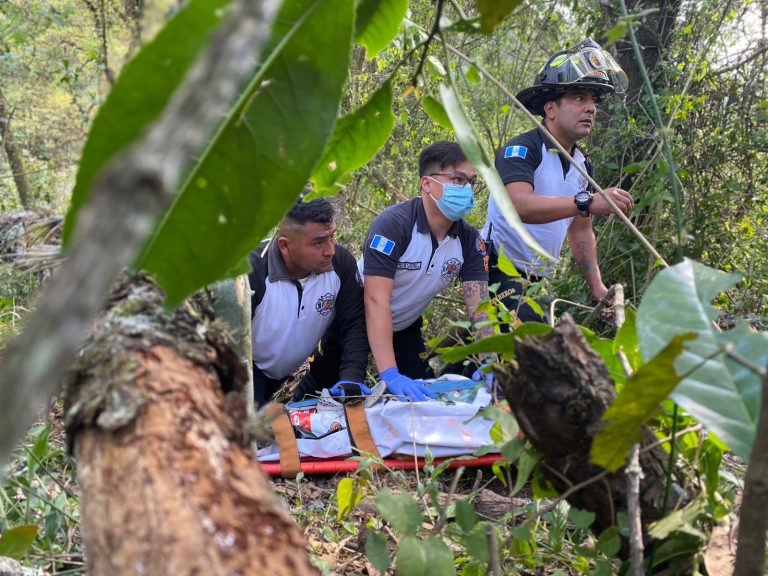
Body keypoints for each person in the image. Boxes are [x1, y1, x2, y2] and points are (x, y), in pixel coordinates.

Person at [482, 38, 634, 324]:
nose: (591, 108)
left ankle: (442, 364)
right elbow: (517, 206)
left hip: (537, 278)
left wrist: (597, 287)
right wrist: (587, 201)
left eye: (593, 100)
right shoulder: (522, 150)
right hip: (494, 268)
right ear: (550, 109)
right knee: (531, 341)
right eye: (579, 98)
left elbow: (580, 231)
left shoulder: (583, 166)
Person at [360, 141, 492, 401]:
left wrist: (490, 358)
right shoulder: (393, 225)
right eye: (457, 179)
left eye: (471, 182)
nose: (466, 189)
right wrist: (388, 372)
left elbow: (480, 307)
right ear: (427, 183)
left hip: (405, 324)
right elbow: (375, 300)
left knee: (423, 393)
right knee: (332, 389)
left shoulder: (470, 242)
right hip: (355, 317)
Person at [248, 197, 369, 406]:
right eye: (318, 242)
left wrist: (352, 376)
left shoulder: (340, 264)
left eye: (332, 237)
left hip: (284, 372)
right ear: (285, 246)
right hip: (246, 372)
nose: (330, 250)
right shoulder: (252, 272)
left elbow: (354, 322)